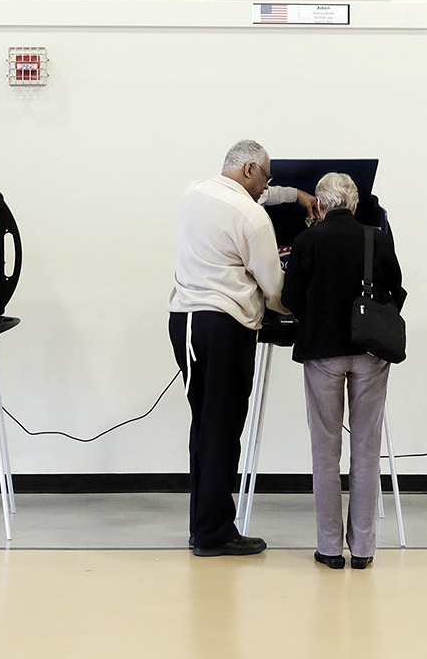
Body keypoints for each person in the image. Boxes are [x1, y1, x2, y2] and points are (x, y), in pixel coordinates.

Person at [167, 140, 317, 557]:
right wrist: (300, 301)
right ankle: (214, 533)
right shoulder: (252, 218)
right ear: (250, 169)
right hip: (222, 326)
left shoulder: (196, 191)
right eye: (266, 176)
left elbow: (258, 195)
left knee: (207, 424)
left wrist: (295, 195)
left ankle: (204, 526)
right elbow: (273, 289)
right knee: (221, 429)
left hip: (187, 322)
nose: (267, 186)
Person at [282, 173, 404, 570]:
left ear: (319, 204)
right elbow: (397, 292)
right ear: (354, 205)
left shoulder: (306, 242)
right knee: (366, 452)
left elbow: (290, 299)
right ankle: (364, 549)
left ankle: (330, 548)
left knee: (325, 454)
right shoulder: (376, 239)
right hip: (370, 354)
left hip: (322, 355)